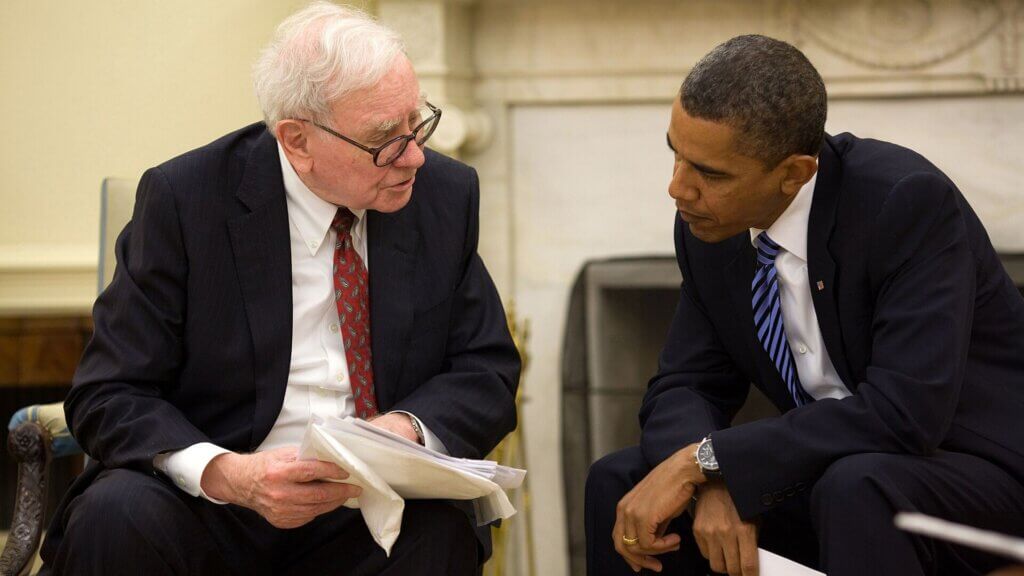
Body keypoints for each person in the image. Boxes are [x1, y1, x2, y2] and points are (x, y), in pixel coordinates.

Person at [39, 3, 520, 575]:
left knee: (442, 531)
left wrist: (403, 431)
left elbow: (486, 370)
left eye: (417, 122)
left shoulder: (443, 194)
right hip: (212, 503)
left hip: (365, 507)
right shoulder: (185, 200)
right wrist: (228, 475)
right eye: (384, 139)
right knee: (115, 515)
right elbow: (108, 393)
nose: (414, 155)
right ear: (296, 141)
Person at [585, 34, 1024, 576]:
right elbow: (685, 383)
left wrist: (711, 460)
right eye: (675, 154)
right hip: (839, 467)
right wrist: (711, 477)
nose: (678, 189)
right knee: (621, 481)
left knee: (858, 486)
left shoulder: (905, 203)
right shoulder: (709, 224)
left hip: (979, 471)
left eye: (711, 173)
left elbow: (905, 414)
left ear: (794, 173)